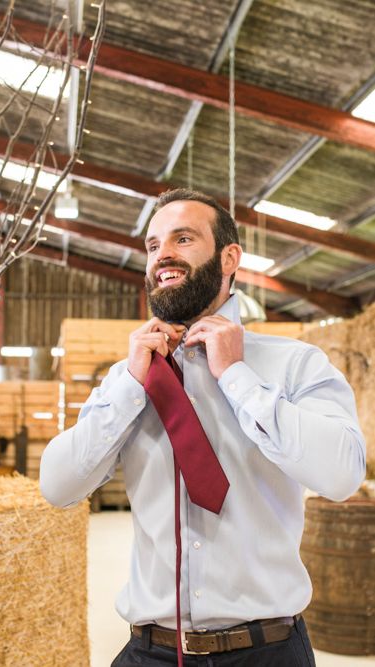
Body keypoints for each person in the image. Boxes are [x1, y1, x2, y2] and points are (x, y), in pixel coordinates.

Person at [39, 188, 365, 666]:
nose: (162, 254)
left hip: (268, 652)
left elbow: (341, 476)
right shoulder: (129, 378)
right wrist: (130, 386)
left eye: (183, 238)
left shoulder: (294, 365)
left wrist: (237, 376)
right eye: (152, 246)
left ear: (230, 256)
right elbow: (57, 485)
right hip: (152, 652)